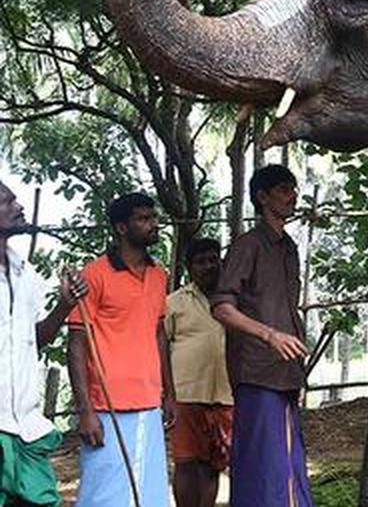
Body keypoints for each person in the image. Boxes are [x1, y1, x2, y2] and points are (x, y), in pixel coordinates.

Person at [211, 165, 313, 507]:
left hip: (286, 372)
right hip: (256, 371)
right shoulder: (247, 246)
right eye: (284, 189)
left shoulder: (289, 247)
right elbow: (222, 307)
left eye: (293, 189)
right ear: (262, 197)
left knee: (288, 459)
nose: (292, 196)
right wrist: (270, 336)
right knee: (266, 464)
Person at [68, 192, 175, 506]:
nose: (154, 224)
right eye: (144, 218)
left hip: (149, 402)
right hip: (106, 407)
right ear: (121, 228)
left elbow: (159, 336)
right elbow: (76, 342)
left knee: (149, 493)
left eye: (153, 217)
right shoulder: (94, 275)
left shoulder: (159, 275)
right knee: (103, 496)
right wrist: (85, 410)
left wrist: (170, 394)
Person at [0, 180, 88, 506]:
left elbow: (35, 340)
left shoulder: (27, 275)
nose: (19, 207)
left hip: (26, 427)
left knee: (43, 500)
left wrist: (65, 306)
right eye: (8, 202)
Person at [166, 237, 233, 507]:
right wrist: (167, 394)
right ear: (189, 267)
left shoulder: (234, 300)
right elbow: (160, 344)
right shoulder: (174, 303)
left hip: (226, 394)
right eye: (201, 262)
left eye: (213, 259)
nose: (208, 266)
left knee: (213, 463)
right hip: (186, 393)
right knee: (185, 463)